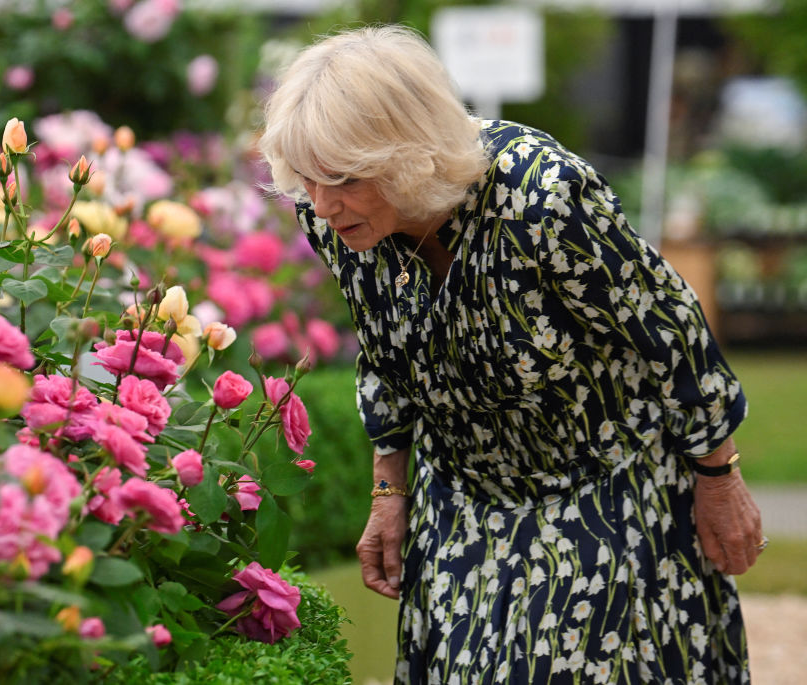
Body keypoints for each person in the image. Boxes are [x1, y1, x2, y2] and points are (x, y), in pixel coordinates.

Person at [258, 25, 765, 683]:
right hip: (463, 499)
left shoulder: (541, 196)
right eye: (309, 179)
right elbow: (385, 353)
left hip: (600, 487)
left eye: (346, 177)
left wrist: (718, 475)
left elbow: (669, 329)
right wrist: (389, 488)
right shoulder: (336, 218)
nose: (323, 204)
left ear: (405, 153)